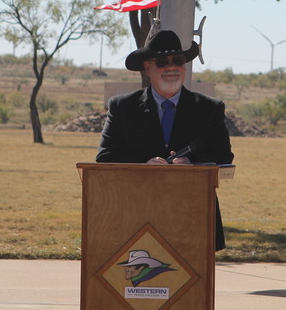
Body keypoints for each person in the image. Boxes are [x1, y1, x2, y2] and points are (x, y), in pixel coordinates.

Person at [96, 29, 234, 249]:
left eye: (178, 60)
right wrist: (143, 166)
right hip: (136, 214)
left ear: (185, 66)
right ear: (147, 68)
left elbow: (223, 158)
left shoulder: (209, 109)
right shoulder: (122, 107)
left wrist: (193, 165)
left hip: (193, 216)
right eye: (162, 62)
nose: (171, 67)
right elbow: (105, 158)